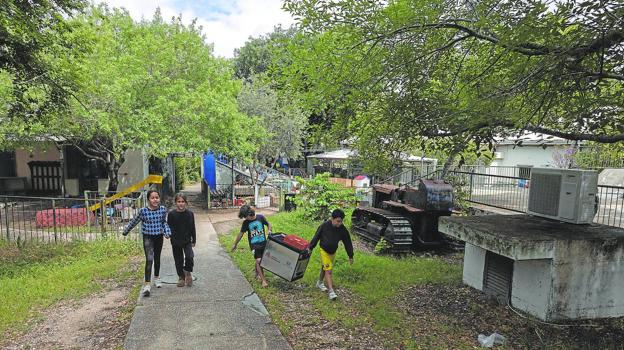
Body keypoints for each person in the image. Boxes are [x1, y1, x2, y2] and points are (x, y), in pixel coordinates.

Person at [123, 189, 171, 297]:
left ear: (159, 198)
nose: (155, 200)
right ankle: (147, 284)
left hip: (158, 237)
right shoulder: (143, 211)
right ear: (148, 199)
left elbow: (164, 223)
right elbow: (134, 221)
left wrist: (167, 233)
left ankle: (157, 278)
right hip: (148, 237)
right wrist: (126, 231)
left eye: (157, 197)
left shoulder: (163, 209)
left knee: (157, 258)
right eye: (152, 198)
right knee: (149, 259)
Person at [308, 209, 354, 300]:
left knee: (325, 267)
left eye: (341, 221)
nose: (339, 223)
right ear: (332, 219)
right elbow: (316, 236)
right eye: (338, 221)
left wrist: (350, 255)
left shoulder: (342, 229)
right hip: (323, 250)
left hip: (332, 252)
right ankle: (331, 291)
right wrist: (310, 248)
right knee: (328, 270)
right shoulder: (324, 226)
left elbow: (347, 242)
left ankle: (320, 283)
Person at [231, 205, 272, 288]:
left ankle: (257, 274)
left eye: (245, 217)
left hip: (264, 243)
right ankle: (263, 280)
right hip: (254, 245)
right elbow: (241, 234)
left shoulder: (260, 217)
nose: (245, 218)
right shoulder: (246, 223)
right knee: (258, 260)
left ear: (249, 215)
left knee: (261, 260)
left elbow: (268, 224)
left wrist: (269, 229)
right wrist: (235, 244)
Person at [167, 193, 196, 287]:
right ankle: (181, 277)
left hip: (187, 240)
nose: (181, 204)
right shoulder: (171, 214)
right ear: (175, 203)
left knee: (189, 256)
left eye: (183, 201)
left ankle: (187, 272)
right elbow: (169, 227)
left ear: (186, 203)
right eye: (179, 201)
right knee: (178, 260)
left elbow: (193, 228)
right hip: (175, 241)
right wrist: (170, 237)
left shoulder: (190, 214)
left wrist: (194, 240)